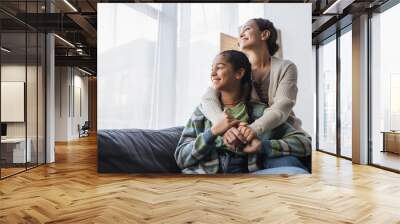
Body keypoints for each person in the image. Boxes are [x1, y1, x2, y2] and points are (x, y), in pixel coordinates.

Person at [174, 50, 311, 174]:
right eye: (212, 69)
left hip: (246, 185)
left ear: (239, 73)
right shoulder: (202, 112)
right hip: (203, 184)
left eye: (219, 67)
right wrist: (212, 133)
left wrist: (263, 146)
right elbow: (181, 158)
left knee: (295, 173)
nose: (213, 74)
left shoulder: (260, 113)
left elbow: (305, 143)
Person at [200, 18, 309, 172]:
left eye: (247, 28)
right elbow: (208, 98)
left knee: (297, 165)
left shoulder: (286, 67)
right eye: (240, 32)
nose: (241, 33)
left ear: (264, 34)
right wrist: (222, 125)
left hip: (280, 134)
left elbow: (282, 106)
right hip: (247, 139)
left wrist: (253, 129)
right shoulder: (238, 70)